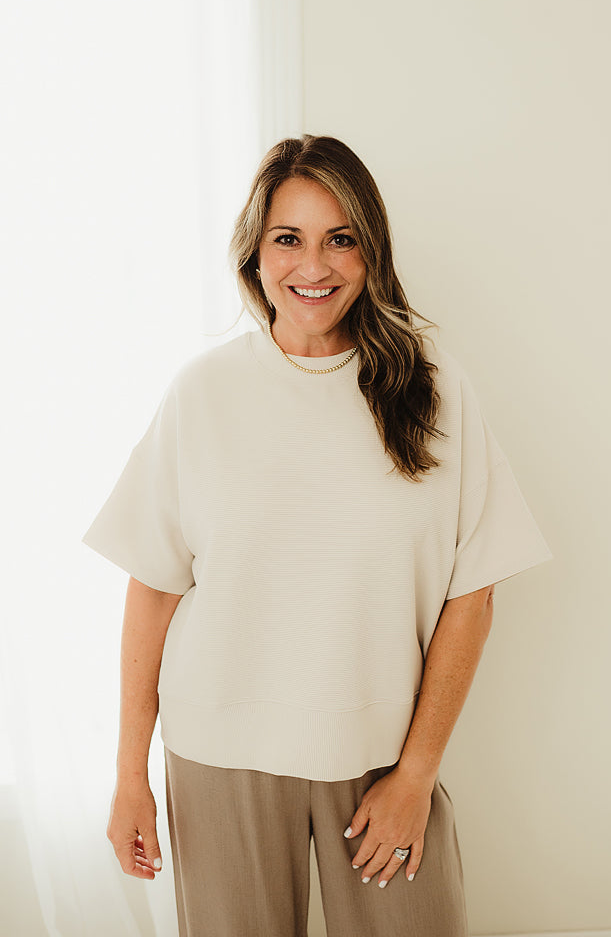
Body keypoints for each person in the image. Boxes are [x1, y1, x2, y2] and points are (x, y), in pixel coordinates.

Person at [82, 134, 552, 937]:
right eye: (287, 238)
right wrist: (131, 776)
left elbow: (471, 595)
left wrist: (416, 775)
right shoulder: (204, 392)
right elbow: (153, 588)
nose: (313, 265)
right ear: (254, 253)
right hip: (219, 751)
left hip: (381, 757)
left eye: (340, 238)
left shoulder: (430, 386)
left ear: (371, 250)